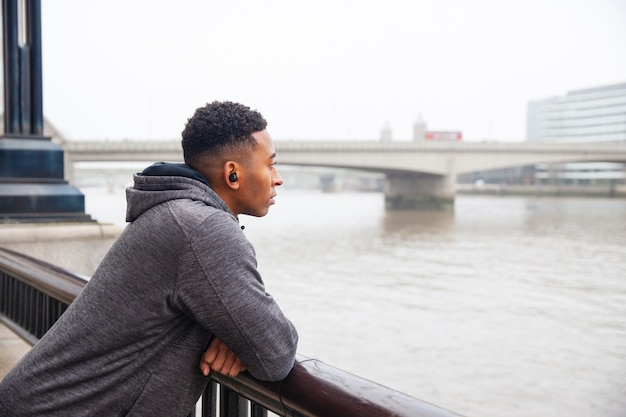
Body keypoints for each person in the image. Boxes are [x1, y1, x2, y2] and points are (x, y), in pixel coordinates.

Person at [0, 101, 299, 416]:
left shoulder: (176, 214)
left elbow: (257, 339)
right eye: (270, 164)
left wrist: (235, 333)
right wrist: (244, 336)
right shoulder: (203, 229)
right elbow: (275, 354)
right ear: (233, 174)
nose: (277, 178)